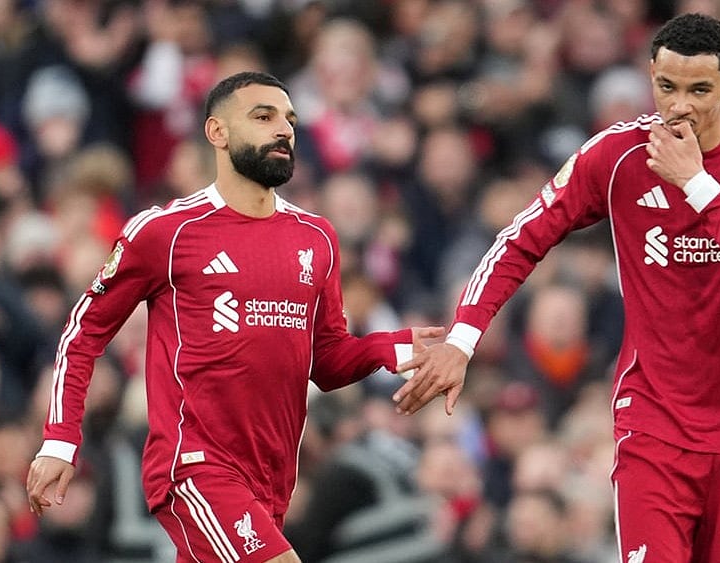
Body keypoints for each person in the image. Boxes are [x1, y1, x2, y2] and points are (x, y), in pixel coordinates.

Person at [395, 13, 720, 563]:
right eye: (666, 87)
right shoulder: (616, 155)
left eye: (699, 90)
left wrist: (696, 184)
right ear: (651, 78)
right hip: (653, 426)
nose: (680, 105)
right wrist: (463, 339)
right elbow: (521, 239)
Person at [25, 71, 442, 563]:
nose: (283, 129)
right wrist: (59, 440)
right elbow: (83, 333)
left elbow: (325, 360)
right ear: (217, 133)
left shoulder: (317, 238)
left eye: (289, 119)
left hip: (272, 475)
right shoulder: (166, 232)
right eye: (263, 117)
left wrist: (391, 349)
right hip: (195, 466)